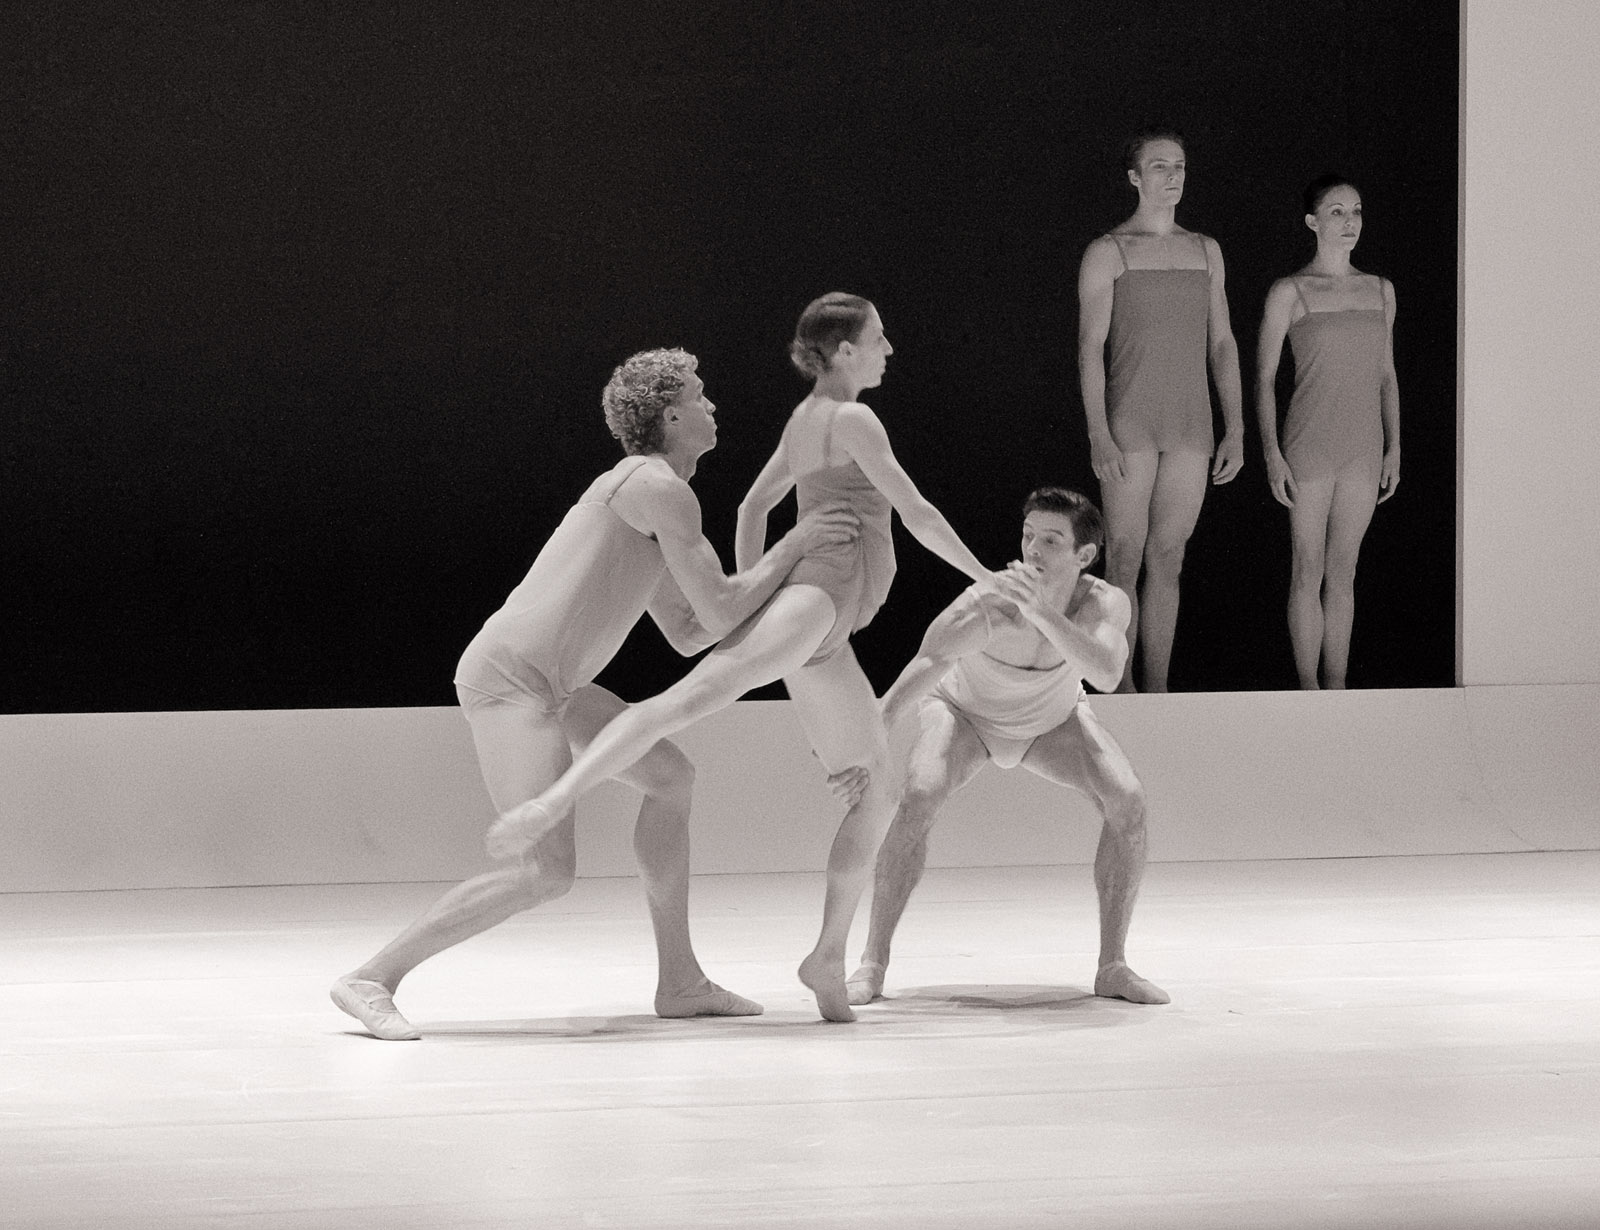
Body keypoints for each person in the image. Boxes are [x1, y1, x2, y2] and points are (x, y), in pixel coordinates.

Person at [486, 293, 1002, 1022]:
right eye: (879, 337)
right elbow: (916, 513)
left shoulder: (805, 423)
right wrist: (985, 576)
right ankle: (552, 801)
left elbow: (753, 509)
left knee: (879, 782)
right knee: (690, 700)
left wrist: (756, 598)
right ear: (845, 351)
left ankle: (827, 957)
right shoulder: (852, 417)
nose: (890, 348)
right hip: (823, 602)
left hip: (825, 621)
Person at [330, 347, 856, 1040]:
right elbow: (727, 611)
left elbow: (693, 630)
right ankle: (372, 977)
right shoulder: (655, 486)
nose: (712, 406)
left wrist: (790, 595)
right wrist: (796, 547)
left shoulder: (657, 500)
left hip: (558, 684)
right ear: (670, 414)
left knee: (669, 777)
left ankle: (681, 981)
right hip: (512, 680)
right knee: (545, 871)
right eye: (701, 396)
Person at [832, 487, 1169, 1008]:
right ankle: (872, 962)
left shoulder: (1103, 602)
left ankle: (1113, 966)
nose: (1033, 550)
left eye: (1051, 540)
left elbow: (1105, 673)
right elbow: (923, 670)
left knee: (1129, 801)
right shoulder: (987, 600)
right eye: (1028, 536)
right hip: (965, 715)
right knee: (919, 794)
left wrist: (1043, 615)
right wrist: (864, 743)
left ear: (1084, 555)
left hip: (1052, 722)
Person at [1077, 127, 1245, 692]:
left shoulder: (1205, 249)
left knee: (1168, 557)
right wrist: (1099, 433)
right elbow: (1089, 348)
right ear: (1134, 177)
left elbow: (1222, 342)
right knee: (1123, 557)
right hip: (1131, 421)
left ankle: (1159, 687)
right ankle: (1118, 685)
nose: (1172, 176)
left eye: (1179, 166)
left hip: (1192, 423)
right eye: (1158, 167)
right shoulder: (1109, 251)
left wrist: (1237, 426)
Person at [1256, 175, 1400, 689]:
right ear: (1313, 221)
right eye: (1336, 212)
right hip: (1308, 445)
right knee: (1307, 566)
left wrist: (1394, 446)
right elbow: (1265, 378)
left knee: (1345, 571)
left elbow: (1387, 375)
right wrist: (1271, 453)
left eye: (1356, 210)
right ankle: (1308, 688)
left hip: (1363, 447)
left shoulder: (1380, 289)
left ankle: (1337, 685)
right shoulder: (1290, 291)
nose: (1349, 221)